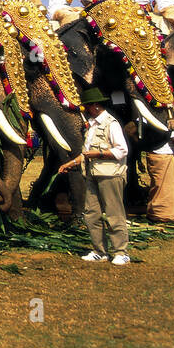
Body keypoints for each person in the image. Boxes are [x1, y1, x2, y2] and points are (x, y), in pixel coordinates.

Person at [58, 88, 130, 264]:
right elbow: (85, 153)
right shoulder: (91, 126)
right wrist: (71, 163)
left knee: (114, 214)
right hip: (92, 174)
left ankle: (121, 252)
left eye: (87, 106)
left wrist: (98, 154)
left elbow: (122, 150)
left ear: (96, 106)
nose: (86, 110)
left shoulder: (111, 124)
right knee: (91, 214)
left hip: (110, 175)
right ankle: (100, 251)